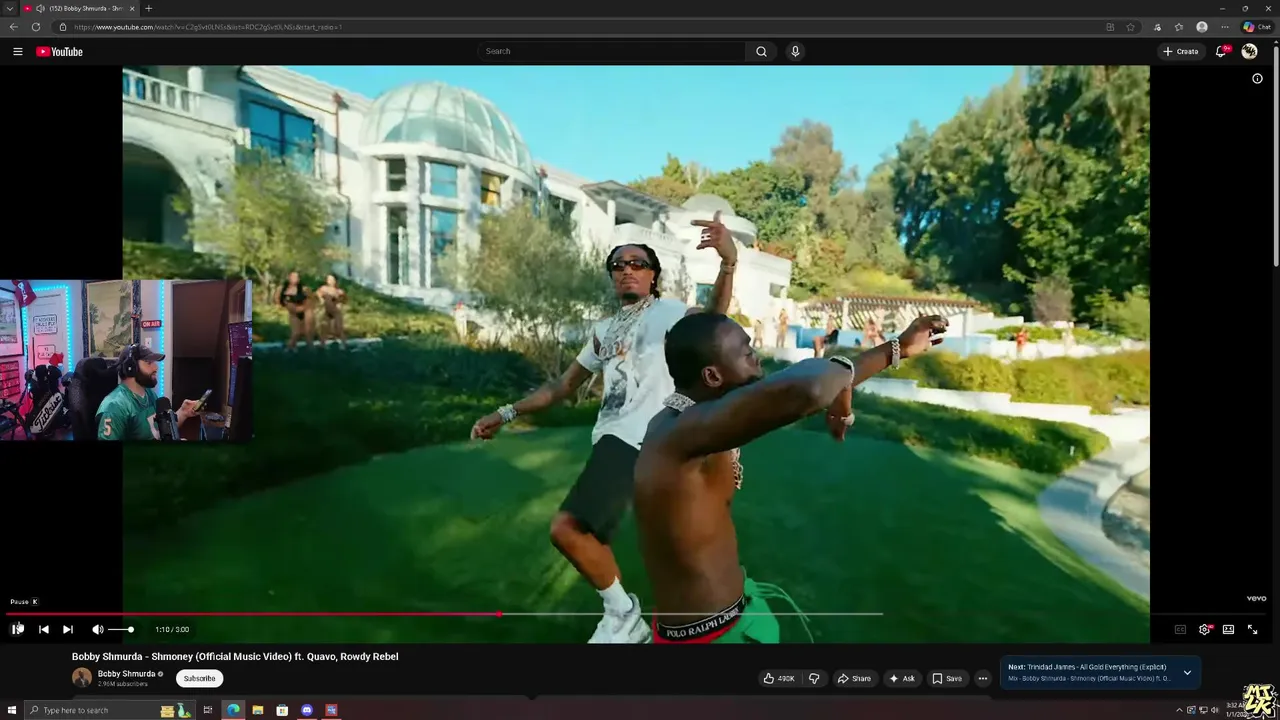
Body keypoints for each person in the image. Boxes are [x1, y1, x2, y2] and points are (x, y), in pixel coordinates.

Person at [468, 211, 739, 643]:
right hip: (615, 439)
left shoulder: (670, 313)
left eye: (637, 263)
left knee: (568, 529)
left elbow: (713, 321)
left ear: (653, 276)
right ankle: (644, 618)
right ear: (611, 276)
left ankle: (624, 616)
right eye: (618, 264)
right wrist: (505, 413)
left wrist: (728, 262)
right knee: (657, 544)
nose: (627, 270)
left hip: (638, 437)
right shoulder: (603, 331)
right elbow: (562, 387)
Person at [634, 312, 948, 643]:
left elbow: (798, 389)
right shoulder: (680, 435)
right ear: (712, 375)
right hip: (710, 639)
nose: (756, 357)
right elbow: (811, 387)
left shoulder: (697, 414)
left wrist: (854, 381)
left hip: (732, 613)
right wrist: (884, 355)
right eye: (746, 352)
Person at [96, 344, 201, 440]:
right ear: (131, 368)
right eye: (149, 362)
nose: (156, 367)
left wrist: (183, 412)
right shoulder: (115, 406)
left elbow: (162, 431)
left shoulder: (149, 394)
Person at [279, 271, 315, 350]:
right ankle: (289, 349)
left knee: (308, 333)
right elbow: (278, 300)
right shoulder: (283, 290)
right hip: (293, 313)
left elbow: (313, 299)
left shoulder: (304, 289)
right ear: (289, 278)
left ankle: (311, 350)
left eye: (296, 277)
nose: (294, 279)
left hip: (305, 311)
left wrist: (307, 306)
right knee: (296, 333)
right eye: (293, 277)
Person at [315, 274, 348, 349]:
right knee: (324, 328)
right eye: (328, 279)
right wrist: (321, 299)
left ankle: (344, 344)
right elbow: (317, 293)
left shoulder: (339, 291)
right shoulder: (324, 288)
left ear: (335, 281)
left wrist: (339, 301)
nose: (330, 281)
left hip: (336, 312)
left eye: (332, 279)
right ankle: (322, 344)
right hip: (327, 311)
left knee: (339, 328)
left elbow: (345, 299)